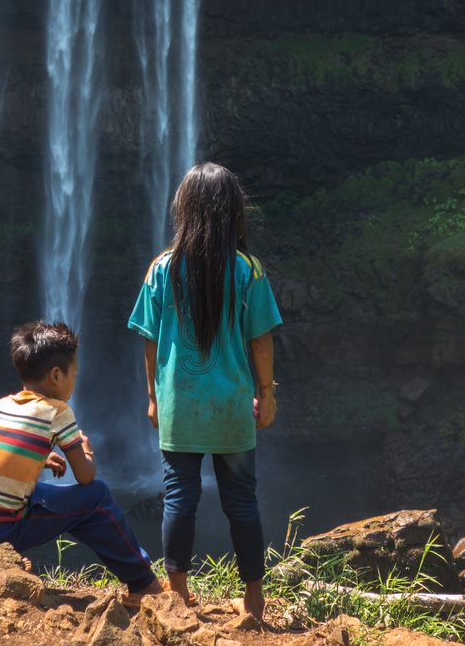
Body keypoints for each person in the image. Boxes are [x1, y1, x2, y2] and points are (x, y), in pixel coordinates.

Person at [128, 163, 283, 621]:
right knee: (242, 502)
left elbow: (150, 340)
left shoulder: (162, 269)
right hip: (232, 405)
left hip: (181, 406)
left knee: (179, 496)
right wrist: (267, 392)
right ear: (233, 211)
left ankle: (178, 596)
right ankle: (254, 601)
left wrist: (154, 396)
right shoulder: (247, 270)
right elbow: (261, 339)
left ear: (185, 210)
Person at [0, 321, 163, 606]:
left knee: (55, 495)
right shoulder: (57, 411)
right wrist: (88, 453)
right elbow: (85, 477)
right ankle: (144, 583)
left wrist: (39, 462)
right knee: (97, 497)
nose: (75, 381)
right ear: (56, 375)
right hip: (3, 530)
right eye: (74, 374)